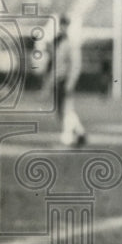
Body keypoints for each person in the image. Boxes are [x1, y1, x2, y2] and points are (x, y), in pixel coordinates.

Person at [49, 13, 87, 146]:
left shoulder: (70, 43)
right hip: (58, 79)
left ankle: (68, 137)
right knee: (62, 110)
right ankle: (80, 132)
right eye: (62, 24)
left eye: (65, 25)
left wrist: (71, 82)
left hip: (66, 79)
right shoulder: (58, 42)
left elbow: (75, 65)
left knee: (65, 109)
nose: (63, 27)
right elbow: (55, 64)